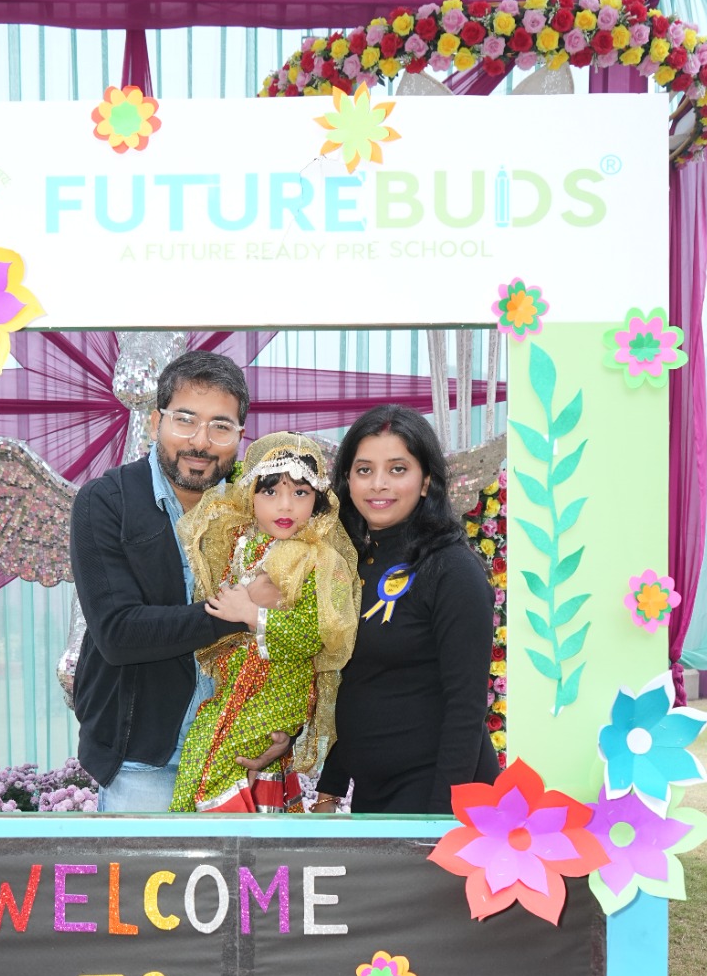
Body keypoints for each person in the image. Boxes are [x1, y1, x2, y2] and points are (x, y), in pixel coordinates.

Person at [69, 349, 291, 812]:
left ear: (240, 437)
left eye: (220, 426)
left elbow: (299, 631)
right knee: (145, 886)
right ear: (156, 424)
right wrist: (239, 613)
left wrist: (287, 726)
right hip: (143, 761)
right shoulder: (108, 503)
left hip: (239, 758)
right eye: (185, 420)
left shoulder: (261, 511)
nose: (201, 442)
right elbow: (119, 634)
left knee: (237, 887)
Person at [313, 405, 498, 816]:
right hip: (373, 798)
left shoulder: (452, 569)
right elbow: (361, 682)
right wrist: (330, 787)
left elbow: (465, 709)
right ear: (346, 479)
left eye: (398, 469)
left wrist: (434, 824)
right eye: (364, 470)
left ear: (426, 479)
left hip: (437, 796)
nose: (379, 484)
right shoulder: (348, 562)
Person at [169, 433, 360, 813]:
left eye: (301, 494)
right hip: (236, 689)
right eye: (270, 492)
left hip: (278, 692)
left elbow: (311, 637)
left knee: (214, 769)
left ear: (319, 500)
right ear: (250, 496)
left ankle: (215, 857)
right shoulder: (243, 542)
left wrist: (252, 615)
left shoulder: (317, 559)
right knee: (199, 756)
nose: (285, 505)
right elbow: (220, 610)